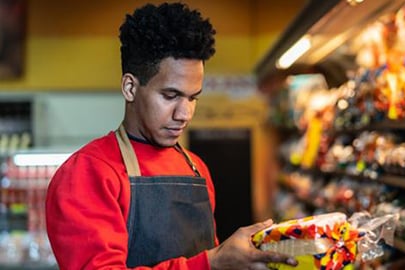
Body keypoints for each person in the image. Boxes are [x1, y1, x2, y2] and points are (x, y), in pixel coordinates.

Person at [45, 2, 298, 270]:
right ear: (130, 87)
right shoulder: (89, 172)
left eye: (193, 98)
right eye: (171, 96)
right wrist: (210, 263)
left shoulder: (195, 168)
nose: (185, 114)